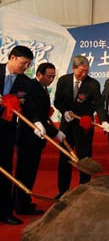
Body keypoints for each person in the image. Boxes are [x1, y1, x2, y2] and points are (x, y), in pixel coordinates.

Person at [53, 55, 109, 199]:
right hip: (67, 125)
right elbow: (57, 101)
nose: (84, 74)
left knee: (84, 157)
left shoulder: (93, 84)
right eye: (81, 71)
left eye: (87, 71)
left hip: (84, 125)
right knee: (65, 156)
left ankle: (84, 189)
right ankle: (63, 190)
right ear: (73, 68)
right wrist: (64, 111)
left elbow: (98, 104)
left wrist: (103, 120)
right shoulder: (63, 81)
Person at [14, 63, 66, 215]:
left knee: (28, 172)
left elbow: (42, 116)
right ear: (39, 74)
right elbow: (32, 112)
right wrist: (52, 131)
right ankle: (21, 206)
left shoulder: (41, 88)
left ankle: (20, 202)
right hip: (29, 137)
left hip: (37, 137)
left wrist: (54, 131)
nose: (51, 79)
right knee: (25, 173)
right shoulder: (31, 86)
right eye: (49, 76)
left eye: (53, 77)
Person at [0, 46, 34, 225]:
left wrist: (37, 123)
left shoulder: (25, 83)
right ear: (12, 58)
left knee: (5, 173)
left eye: (28, 64)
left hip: (6, 133)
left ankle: (4, 212)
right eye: (23, 63)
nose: (25, 67)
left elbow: (27, 108)